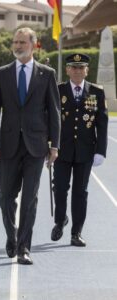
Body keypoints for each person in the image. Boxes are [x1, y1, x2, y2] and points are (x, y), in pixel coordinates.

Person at [0, 27, 60, 265]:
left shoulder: (47, 74)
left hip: (36, 147)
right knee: (6, 197)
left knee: (30, 198)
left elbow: (54, 112)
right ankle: (12, 235)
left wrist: (55, 145)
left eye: (22, 42)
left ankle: (24, 248)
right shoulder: (1, 73)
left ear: (33, 45)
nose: (17, 46)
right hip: (7, 146)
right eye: (15, 42)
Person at [50, 53, 108, 247]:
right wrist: (47, 145)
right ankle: (60, 221)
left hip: (85, 151)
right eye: (73, 68)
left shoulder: (96, 92)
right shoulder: (57, 90)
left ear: (86, 70)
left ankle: (76, 232)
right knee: (59, 189)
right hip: (61, 150)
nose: (77, 71)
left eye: (80, 67)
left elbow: (102, 123)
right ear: (67, 70)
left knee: (80, 192)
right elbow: (49, 119)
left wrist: (101, 151)